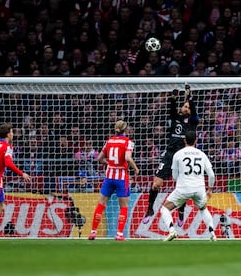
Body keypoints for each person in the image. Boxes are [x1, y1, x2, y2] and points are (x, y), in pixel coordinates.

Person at [142, 84, 199, 225]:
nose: (186, 108)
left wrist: (189, 97)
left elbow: (194, 110)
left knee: (182, 187)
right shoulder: (175, 118)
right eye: (184, 106)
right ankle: (150, 209)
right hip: (169, 155)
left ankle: (181, 210)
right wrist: (174, 97)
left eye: (188, 107)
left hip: (183, 158)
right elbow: (172, 107)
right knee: (156, 184)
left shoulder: (193, 122)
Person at [160, 131, 216, 241]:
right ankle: (212, 234)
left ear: (184, 140)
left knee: (165, 209)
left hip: (183, 188)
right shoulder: (201, 154)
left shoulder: (178, 154)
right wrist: (210, 189)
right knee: (203, 209)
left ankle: (172, 231)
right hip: (199, 189)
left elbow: (174, 176)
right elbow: (212, 175)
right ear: (196, 141)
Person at [88, 120, 139, 241]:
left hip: (109, 176)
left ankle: (93, 232)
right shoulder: (128, 142)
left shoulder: (109, 141)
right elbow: (127, 157)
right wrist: (136, 169)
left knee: (101, 204)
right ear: (125, 130)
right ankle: (119, 234)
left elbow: (99, 158)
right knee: (124, 206)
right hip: (121, 177)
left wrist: (109, 163)